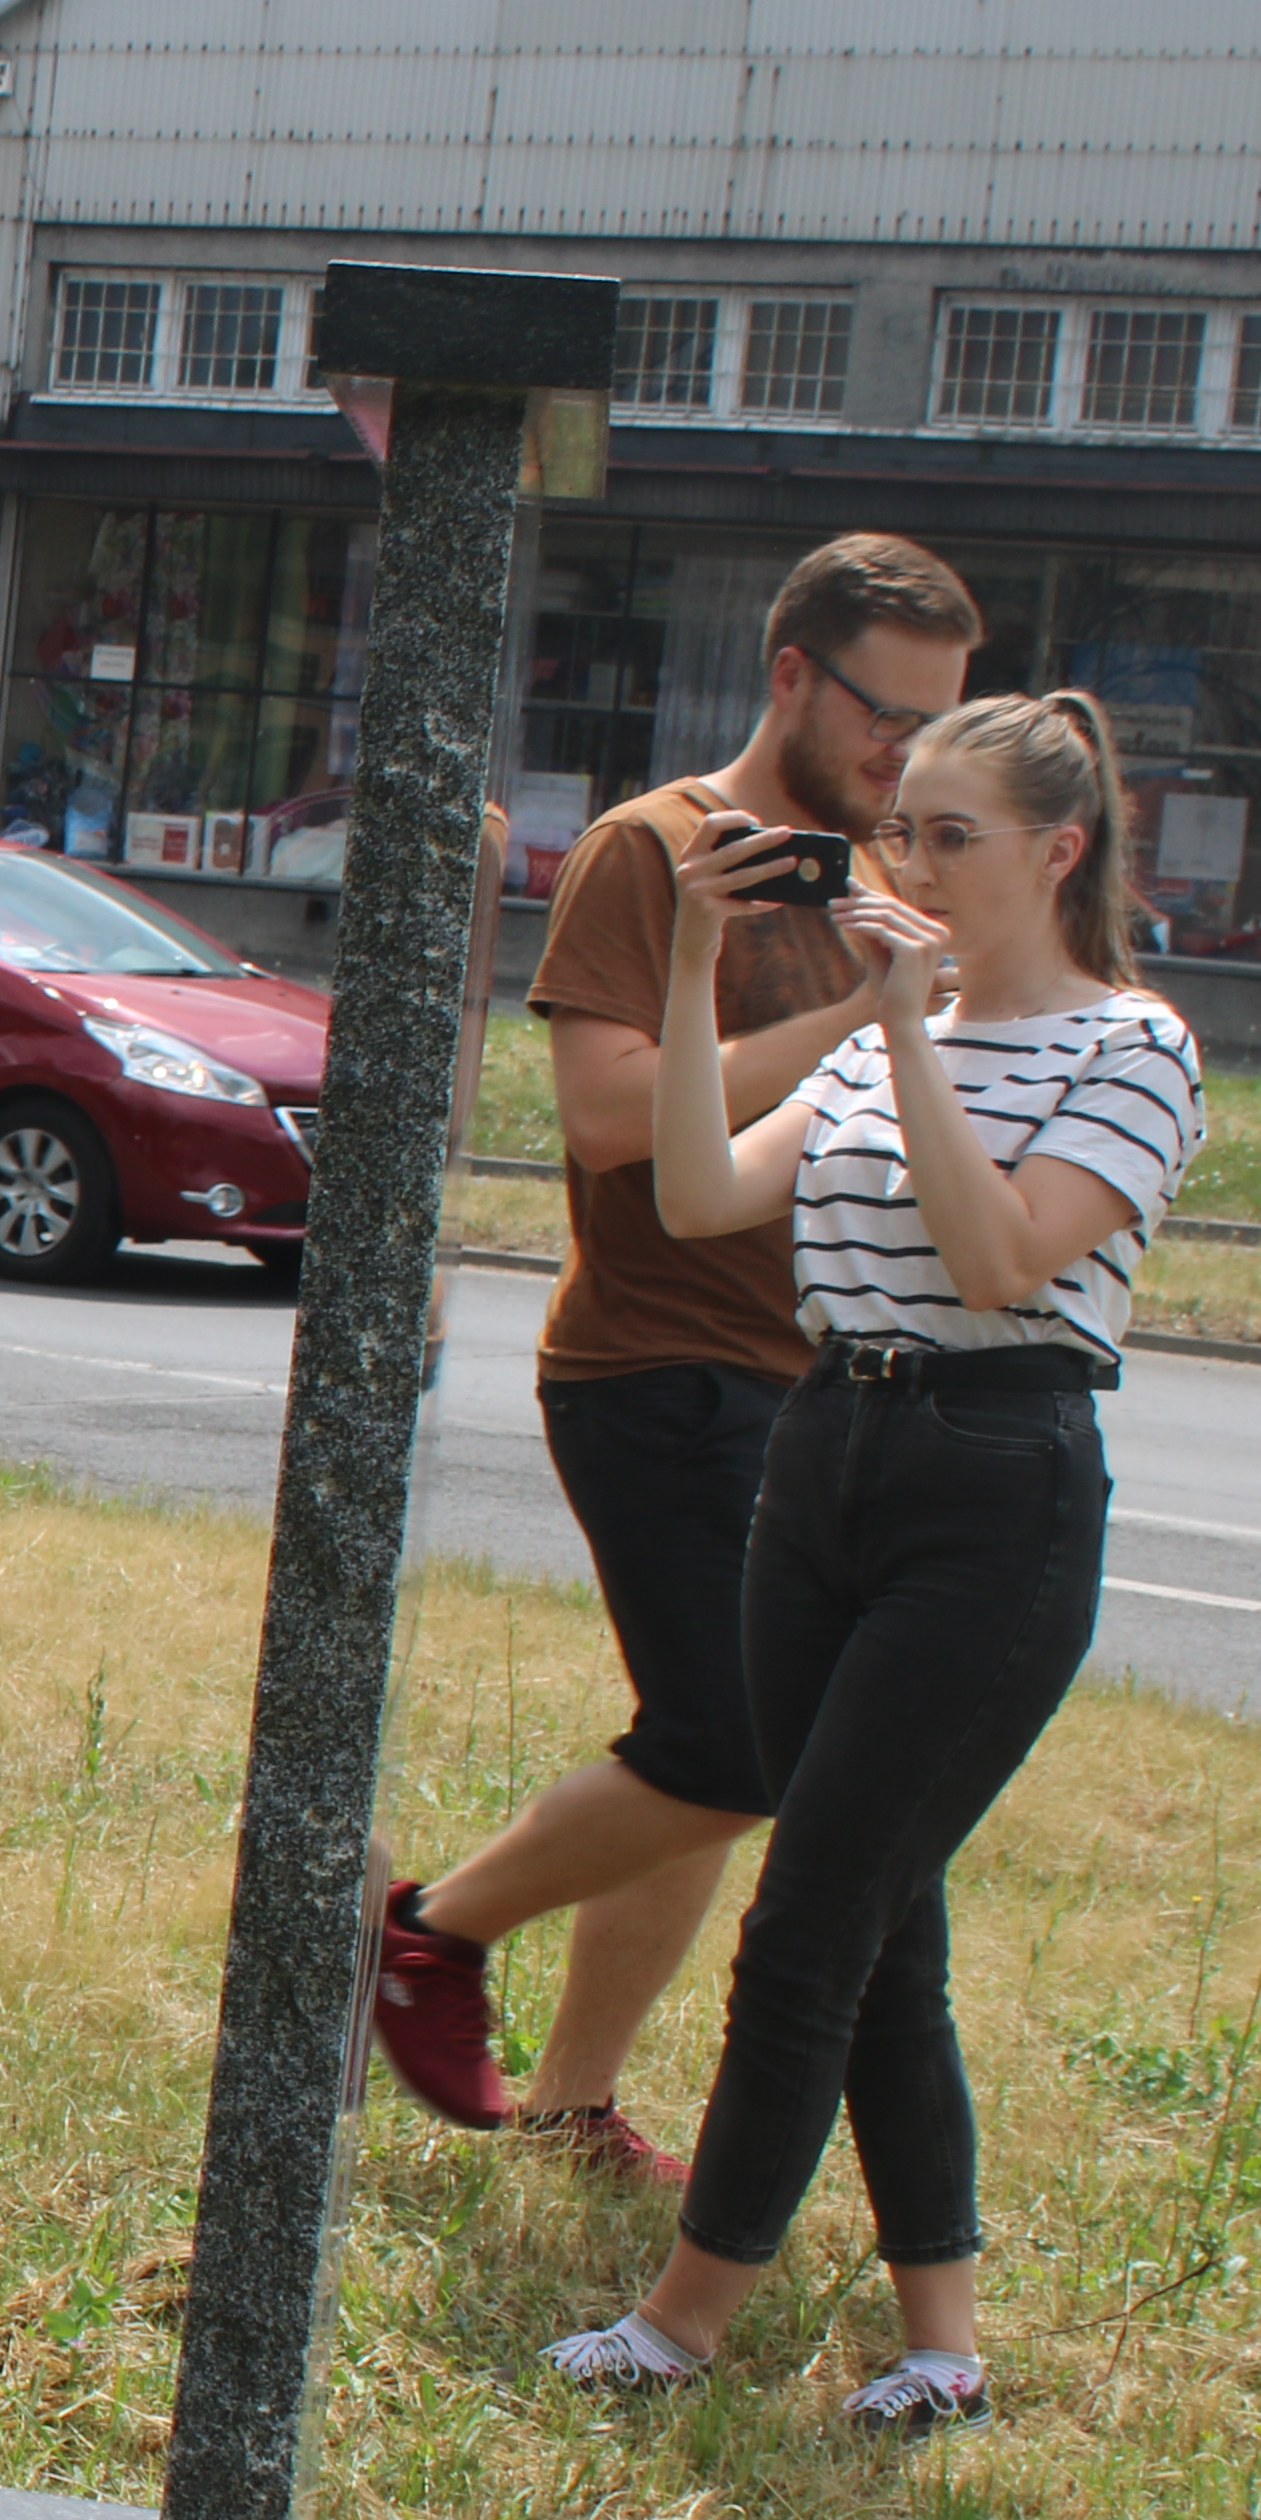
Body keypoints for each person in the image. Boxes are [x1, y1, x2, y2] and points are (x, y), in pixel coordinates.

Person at [543, 694, 1204, 2443]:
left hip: (994, 1480)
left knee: (811, 1918)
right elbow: (693, 1192)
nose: (908, 865)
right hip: (823, 1446)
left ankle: (686, 2324)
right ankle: (944, 2348)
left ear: (1060, 853)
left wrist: (914, 1032)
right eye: (900, 828)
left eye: (952, 836)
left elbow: (1000, 1265)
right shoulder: (868, 1032)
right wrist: (692, 956)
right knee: (885, 1921)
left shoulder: (1131, 1046)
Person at [366, 536, 981, 2185]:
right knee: (741, 1744)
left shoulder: (887, 880)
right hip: (656, 1372)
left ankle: (569, 2104)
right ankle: (423, 1934)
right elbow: (608, 1116)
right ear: (791, 674)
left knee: (702, 1751)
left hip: (818, 1383)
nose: (902, 758)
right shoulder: (659, 852)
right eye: (884, 715)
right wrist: (866, 1017)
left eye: (936, 729)